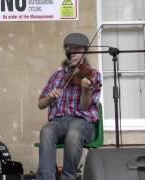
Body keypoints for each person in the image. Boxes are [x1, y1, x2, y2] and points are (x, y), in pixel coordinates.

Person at [37, 33, 102, 180]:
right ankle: (46, 177)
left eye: (77, 50)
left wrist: (85, 89)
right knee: (47, 130)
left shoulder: (92, 75)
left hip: (83, 122)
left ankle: (69, 177)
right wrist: (50, 97)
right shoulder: (57, 75)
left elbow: (85, 107)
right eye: (70, 50)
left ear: (84, 52)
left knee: (74, 134)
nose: (73, 53)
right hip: (60, 121)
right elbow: (40, 104)